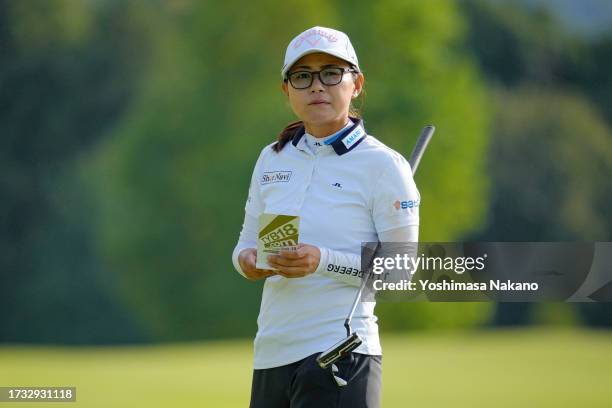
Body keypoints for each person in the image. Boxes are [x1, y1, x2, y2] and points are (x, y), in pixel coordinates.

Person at [232, 26, 420, 408]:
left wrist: (322, 261)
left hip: (342, 354)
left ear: (357, 83)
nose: (317, 86)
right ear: (287, 90)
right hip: (271, 354)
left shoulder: (384, 165)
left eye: (331, 73)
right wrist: (249, 263)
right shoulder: (272, 157)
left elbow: (402, 270)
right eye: (302, 77)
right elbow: (245, 244)